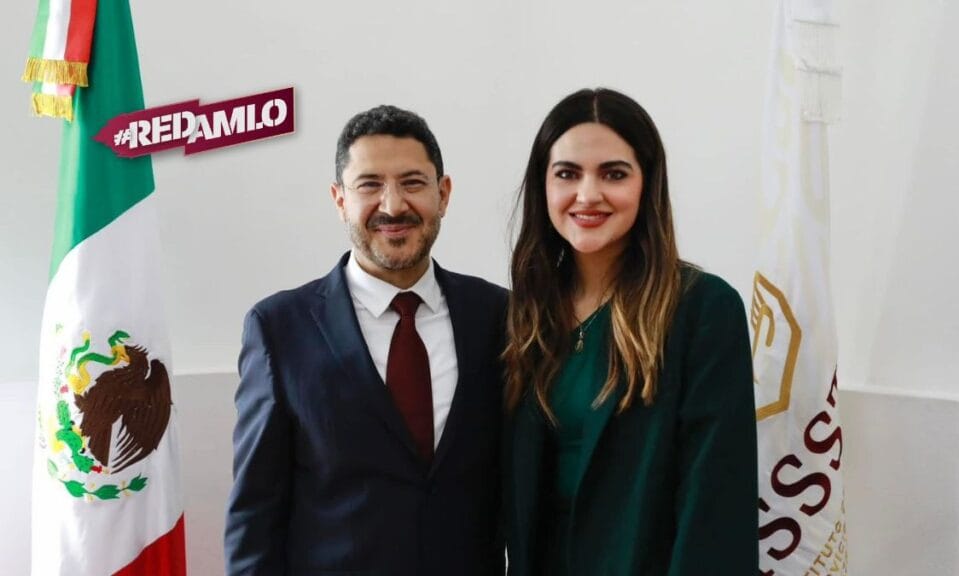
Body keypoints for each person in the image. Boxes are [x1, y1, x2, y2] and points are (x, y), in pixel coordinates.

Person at [225, 105, 507, 575]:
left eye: (413, 183)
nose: (393, 206)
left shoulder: (498, 316)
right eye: (369, 185)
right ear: (339, 199)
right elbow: (254, 517)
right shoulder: (278, 329)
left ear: (443, 194)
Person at [502, 88, 758, 575]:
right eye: (567, 174)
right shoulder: (525, 314)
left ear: (647, 184)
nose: (588, 194)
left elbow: (715, 504)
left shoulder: (703, 310)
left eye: (614, 174)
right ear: (543, 186)